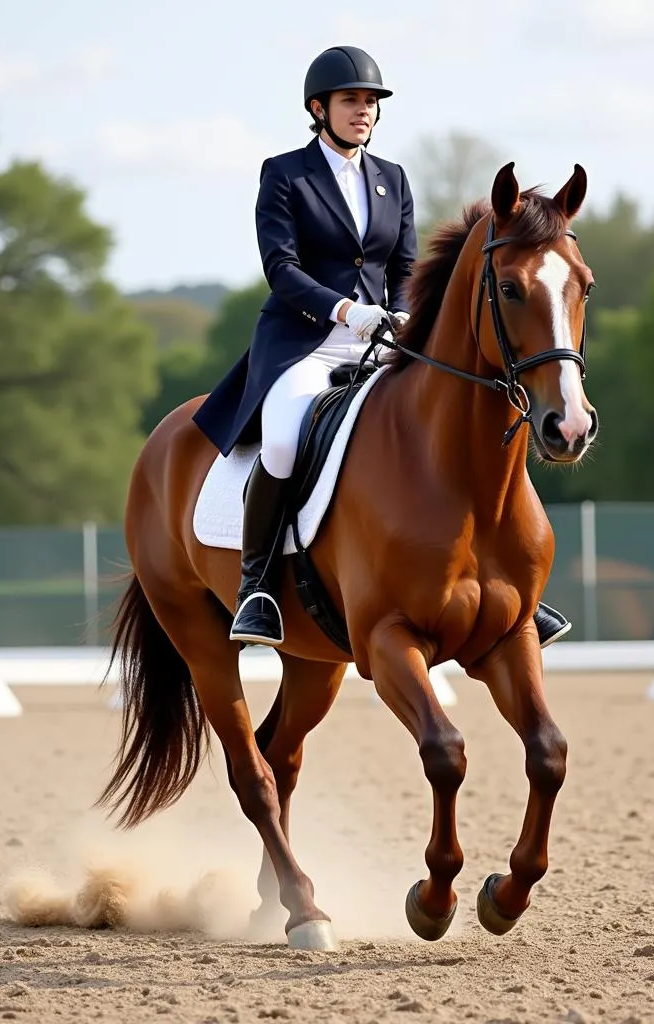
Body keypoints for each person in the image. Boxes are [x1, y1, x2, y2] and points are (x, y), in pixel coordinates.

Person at [192, 44, 573, 652]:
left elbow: (404, 266)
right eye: (350, 101)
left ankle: (505, 574)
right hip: (306, 344)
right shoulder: (285, 174)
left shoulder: (390, 179)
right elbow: (281, 269)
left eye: (370, 102)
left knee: (456, 418)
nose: (363, 112)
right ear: (319, 108)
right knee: (287, 436)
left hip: (385, 341)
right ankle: (258, 584)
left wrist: (401, 310)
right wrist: (345, 310)